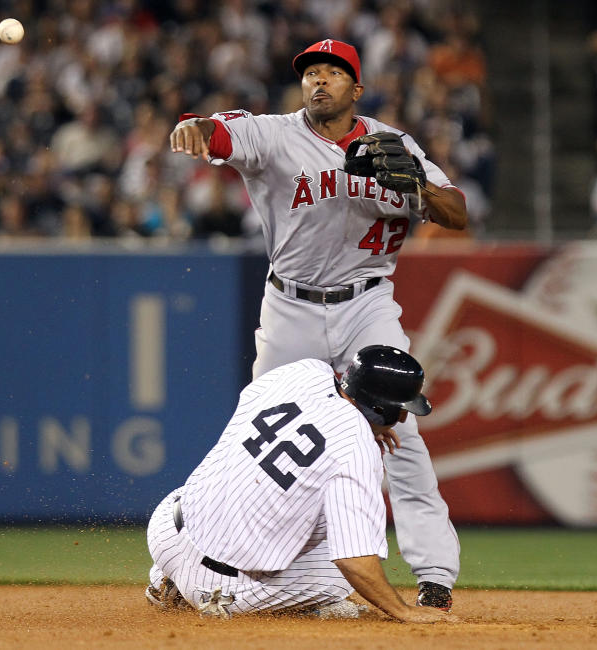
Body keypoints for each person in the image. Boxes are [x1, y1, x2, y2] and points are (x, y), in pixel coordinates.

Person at [169, 38, 467, 609]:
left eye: (334, 72)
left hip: (367, 304)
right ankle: (206, 561)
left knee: (402, 438)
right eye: (312, 73)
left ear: (357, 89)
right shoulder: (275, 134)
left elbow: (457, 212)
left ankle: (435, 577)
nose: (320, 81)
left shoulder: (393, 144)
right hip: (291, 307)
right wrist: (194, 127)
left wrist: (419, 187)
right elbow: (217, 132)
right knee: (255, 440)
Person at [145, 345, 450, 622]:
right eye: (400, 410)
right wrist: (404, 612)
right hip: (221, 588)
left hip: (166, 531)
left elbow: (253, 406)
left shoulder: (303, 371)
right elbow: (354, 560)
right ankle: (206, 593)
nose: (405, 419)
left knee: (238, 483)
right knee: (344, 567)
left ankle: (168, 579)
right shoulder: (356, 449)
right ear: (379, 408)